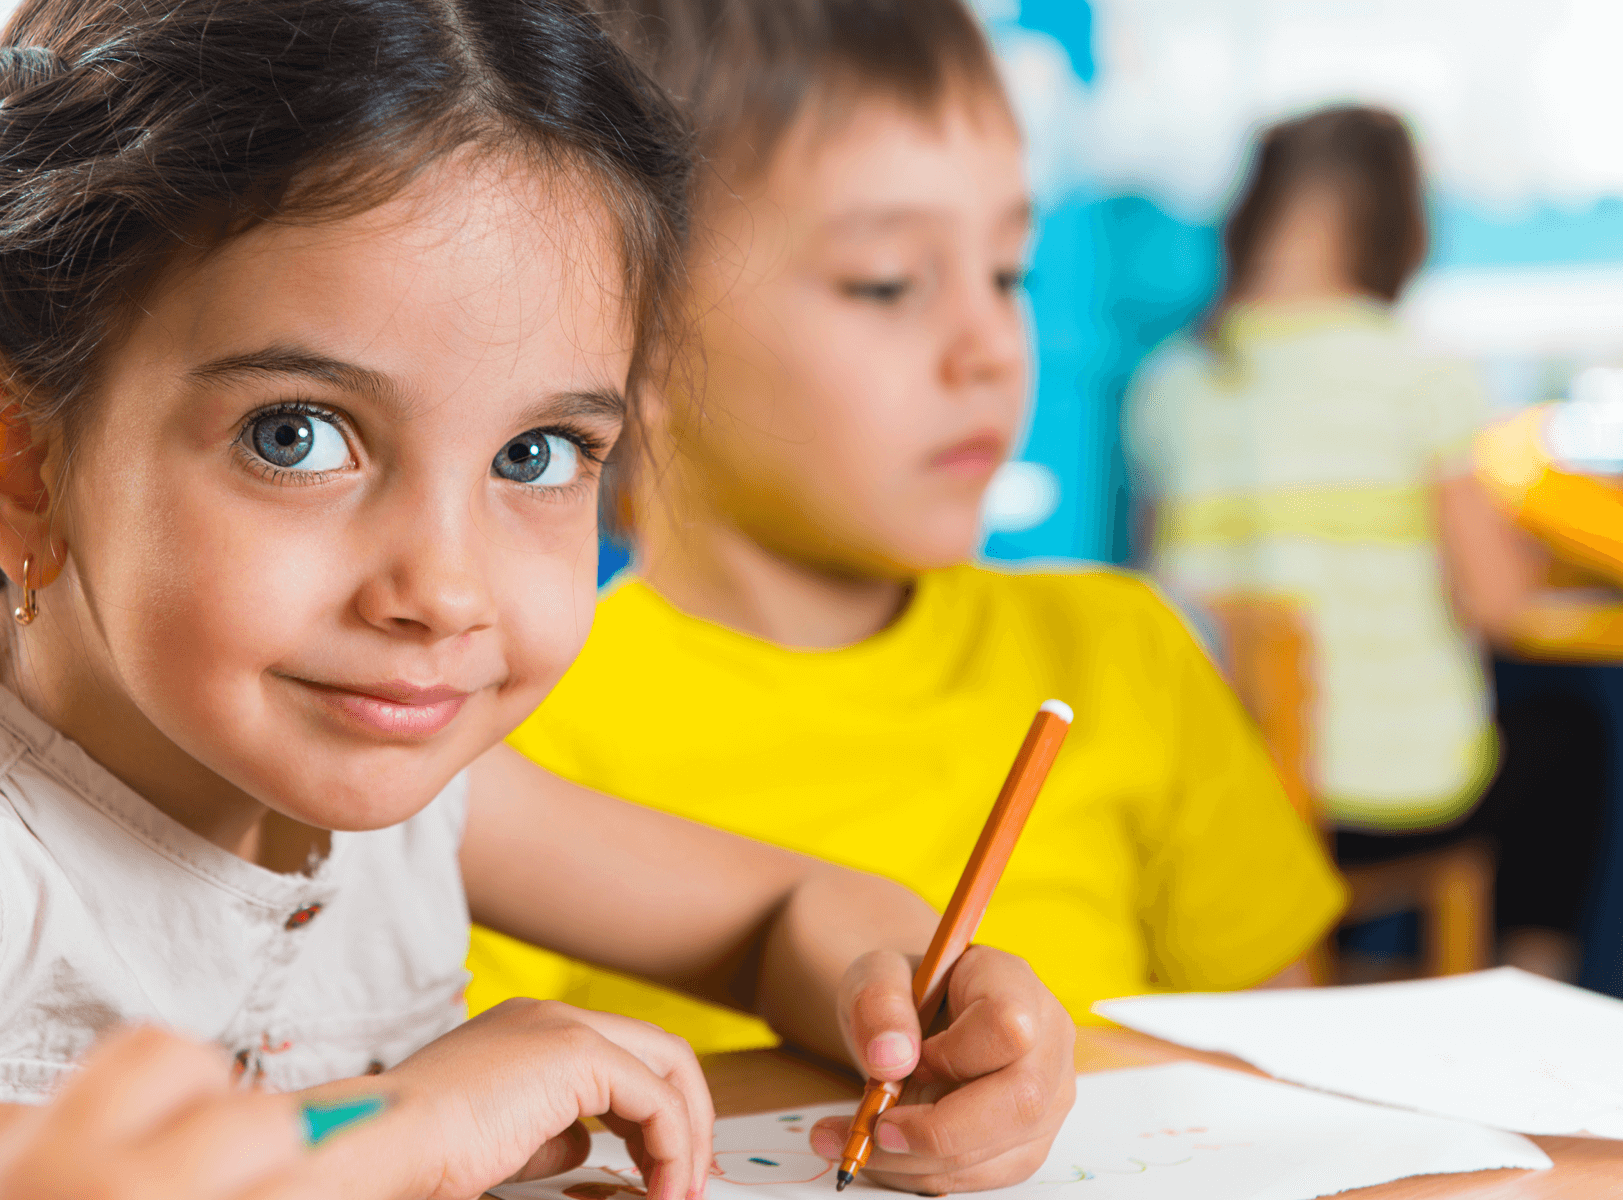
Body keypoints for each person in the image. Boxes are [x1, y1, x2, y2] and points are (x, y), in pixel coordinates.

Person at [0, 2, 1075, 1198]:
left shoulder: (393, 786)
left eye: (539, 452)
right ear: (18, 457)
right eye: (298, 436)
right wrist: (377, 1127)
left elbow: (780, 914)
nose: (443, 586)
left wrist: (923, 1004)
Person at [465, 0, 1344, 1064]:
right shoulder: (508, 726)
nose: (989, 345)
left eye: (1007, 273)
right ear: (630, 335)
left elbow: (1290, 1071)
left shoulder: (1123, 653)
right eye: (888, 283)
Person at [1128, 106, 1604, 980]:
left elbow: (1161, 591)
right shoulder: (1419, 375)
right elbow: (1497, 605)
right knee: (1570, 740)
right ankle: (1534, 1008)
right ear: (1397, 223)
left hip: (1229, 796)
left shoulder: (1169, 382)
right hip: (1388, 801)